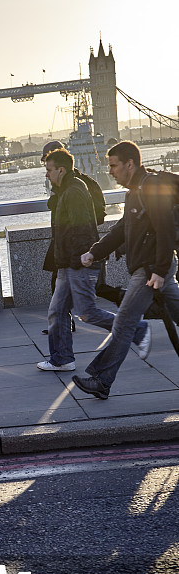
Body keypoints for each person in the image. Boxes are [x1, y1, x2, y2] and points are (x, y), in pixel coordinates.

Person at [74, 140, 179, 399]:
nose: (110, 171)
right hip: (153, 268)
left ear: (129, 164)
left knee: (123, 323)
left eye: (114, 166)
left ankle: (101, 379)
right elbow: (123, 228)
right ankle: (102, 380)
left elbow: (165, 229)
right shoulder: (135, 190)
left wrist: (159, 269)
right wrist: (95, 252)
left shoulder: (150, 187)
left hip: (150, 269)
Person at [36, 148, 149, 372]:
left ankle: (136, 329)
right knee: (56, 311)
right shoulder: (65, 189)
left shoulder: (74, 191)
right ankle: (62, 359)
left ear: (61, 170)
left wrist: (80, 260)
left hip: (77, 262)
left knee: (87, 312)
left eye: (49, 170)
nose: (46, 175)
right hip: (67, 263)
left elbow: (83, 231)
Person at [40, 140, 107, 335]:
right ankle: (62, 329)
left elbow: (94, 216)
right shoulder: (64, 184)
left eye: (48, 162)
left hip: (76, 248)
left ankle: (133, 325)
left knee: (89, 306)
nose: (46, 168)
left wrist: (79, 253)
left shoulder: (78, 185)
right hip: (64, 244)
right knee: (60, 294)